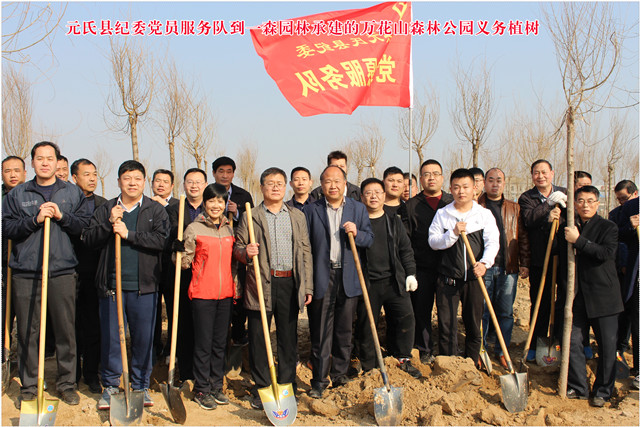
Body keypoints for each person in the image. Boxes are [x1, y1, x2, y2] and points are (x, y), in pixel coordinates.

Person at [3, 141, 91, 408]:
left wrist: (62, 216)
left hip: (61, 271)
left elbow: (84, 227)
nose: (44, 162)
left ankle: (66, 384)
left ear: (57, 162)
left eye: (49, 158)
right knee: (28, 332)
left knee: (65, 330)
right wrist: (34, 220)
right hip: (26, 272)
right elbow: (6, 228)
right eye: (39, 158)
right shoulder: (18, 194)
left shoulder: (72, 193)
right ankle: (29, 386)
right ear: (32, 163)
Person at [82, 160, 169, 410]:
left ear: (144, 182)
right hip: (112, 287)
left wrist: (128, 234)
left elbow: (161, 241)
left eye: (137, 178)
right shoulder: (106, 209)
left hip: (145, 287)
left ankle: (140, 385)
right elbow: (88, 239)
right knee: (112, 339)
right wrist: (109, 224)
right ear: (119, 181)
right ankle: (110, 385)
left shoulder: (155, 210)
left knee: (143, 339)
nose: (132, 183)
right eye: (127, 178)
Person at [234, 167, 313, 410]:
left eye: (280, 183)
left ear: (285, 187)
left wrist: (307, 285)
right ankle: (263, 388)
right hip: (260, 282)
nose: (276, 187)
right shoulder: (251, 216)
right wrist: (245, 252)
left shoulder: (296, 216)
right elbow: (237, 247)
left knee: (288, 338)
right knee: (259, 337)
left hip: (289, 282)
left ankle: (287, 386)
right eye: (270, 183)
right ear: (262, 187)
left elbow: (306, 250)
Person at [305, 165, 373, 398]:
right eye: (327, 181)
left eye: (337, 181)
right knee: (321, 331)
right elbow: (305, 246)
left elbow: (369, 238)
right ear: (321, 185)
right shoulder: (311, 210)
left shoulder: (358, 208)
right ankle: (319, 380)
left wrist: (357, 233)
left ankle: (340, 375)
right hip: (322, 277)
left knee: (344, 331)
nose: (332, 186)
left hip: (348, 277)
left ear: (345, 183)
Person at [175, 183, 239, 410]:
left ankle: (216, 385)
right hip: (202, 293)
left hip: (225, 294)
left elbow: (233, 263)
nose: (216, 205)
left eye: (220, 201)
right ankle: (202, 388)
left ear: (225, 204)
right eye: (211, 201)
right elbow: (183, 263)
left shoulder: (229, 229)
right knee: (203, 344)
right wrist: (178, 251)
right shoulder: (194, 228)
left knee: (220, 343)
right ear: (205, 203)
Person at [428, 168, 499, 367]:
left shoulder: (483, 214)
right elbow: (433, 242)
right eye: (457, 187)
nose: (461, 191)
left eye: (465, 187)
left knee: (474, 325)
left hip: (474, 279)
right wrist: (452, 233)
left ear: (474, 188)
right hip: (448, 279)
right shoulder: (443, 214)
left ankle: (471, 364)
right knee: (447, 326)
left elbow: (493, 242)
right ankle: (449, 366)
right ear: (450, 189)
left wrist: (484, 263)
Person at [564, 185, 624, 407]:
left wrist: (579, 240)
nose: (585, 205)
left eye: (590, 201)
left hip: (604, 297)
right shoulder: (569, 226)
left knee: (607, 347)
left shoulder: (608, 227)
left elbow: (605, 253)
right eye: (580, 201)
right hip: (577, 296)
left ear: (598, 204)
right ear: (575, 204)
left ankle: (603, 391)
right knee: (572, 341)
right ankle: (578, 386)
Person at [357, 178, 420, 378]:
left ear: (384, 196)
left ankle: (403, 358)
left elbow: (405, 250)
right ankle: (369, 364)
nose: (373, 196)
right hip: (368, 283)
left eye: (377, 192)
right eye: (368, 193)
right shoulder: (358, 224)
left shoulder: (394, 221)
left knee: (405, 318)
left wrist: (410, 273)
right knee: (367, 324)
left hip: (393, 281)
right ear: (362, 197)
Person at [478, 168, 530, 369]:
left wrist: (524, 262)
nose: (495, 184)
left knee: (506, 312)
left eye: (499, 180)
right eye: (491, 180)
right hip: (485, 267)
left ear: (504, 183)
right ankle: (481, 350)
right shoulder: (477, 206)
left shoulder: (514, 208)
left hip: (508, 267)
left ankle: (502, 351)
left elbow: (522, 236)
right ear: (484, 183)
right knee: (482, 311)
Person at [162, 168, 208, 385]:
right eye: (190, 182)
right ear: (183, 185)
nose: (194, 186)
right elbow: (166, 234)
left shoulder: (212, 208)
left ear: (205, 185)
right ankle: (185, 373)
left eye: (198, 182)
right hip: (180, 273)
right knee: (181, 323)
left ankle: (204, 373)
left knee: (203, 325)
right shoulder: (173, 209)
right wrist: (174, 242)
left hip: (205, 273)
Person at [518, 159, 567, 361]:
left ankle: (560, 343)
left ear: (552, 173)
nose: (541, 176)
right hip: (540, 258)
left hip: (563, 257)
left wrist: (561, 212)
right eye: (536, 173)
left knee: (563, 302)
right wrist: (547, 206)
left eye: (544, 172)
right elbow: (529, 220)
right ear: (532, 176)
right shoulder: (527, 197)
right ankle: (535, 344)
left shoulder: (564, 193)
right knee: (540, 302)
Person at [405, 159, 453, 364]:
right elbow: (406, 241)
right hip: (422, 268)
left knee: (447, 312)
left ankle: (448, 351)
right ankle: (424, 349)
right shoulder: (411, 205)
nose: (431, 178)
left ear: (442, 177)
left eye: (435, 174)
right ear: (421, 179)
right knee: (421, 311)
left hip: (448, 268)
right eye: (426, 174)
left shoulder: (452, 203)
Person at [70, 158, 107, 394]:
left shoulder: (103, 205)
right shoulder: (67, 203)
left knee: (94, 326)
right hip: (69, 272)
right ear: (74, 178)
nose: (92, 178)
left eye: (94, 174)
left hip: (95, 273)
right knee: (70, 327)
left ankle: (92, 374)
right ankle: (71, 375)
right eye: (86, 174)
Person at [212, 156, 254, 348]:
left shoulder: (243, 195)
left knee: (239, 293)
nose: (225, 175)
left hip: (237, 252)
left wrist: (236, 213)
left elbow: (252, 222)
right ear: (214, 173)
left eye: (229, 171)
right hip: (216, 252)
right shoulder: (209, 193)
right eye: (221, 171)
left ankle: (238, 333)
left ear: (233, 174)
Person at [609, 180, 638, 368]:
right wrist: (630, 226)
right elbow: (615, 237)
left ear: (635, 194)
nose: (621, 202)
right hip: (622, 270)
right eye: (618, 199)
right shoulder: (616, 214)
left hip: (635, 270)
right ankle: (619, 347)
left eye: (624, 198)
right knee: (624, 311)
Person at [2, 155, 26, 356]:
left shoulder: (31, 197)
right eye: (7, 171)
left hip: (25, 266)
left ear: (24, 173)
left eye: (16, 170)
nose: (12, 175)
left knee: (28, 321)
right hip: (3, 266)